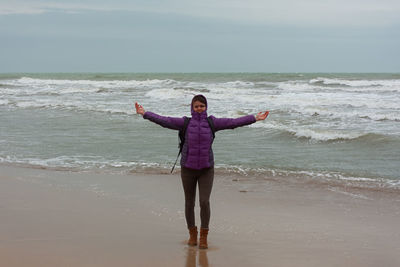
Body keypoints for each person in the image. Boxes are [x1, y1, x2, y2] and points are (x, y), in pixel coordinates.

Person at [135, 95, 269, 249]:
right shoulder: (185, 123)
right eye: (196, 106)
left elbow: (233, 122)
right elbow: (165, 121)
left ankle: (204, 236)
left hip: (206, 169)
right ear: (192, 108)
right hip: (187, 169)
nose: (199, 108)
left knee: (204, 202)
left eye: (202, 106)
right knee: (189, 202)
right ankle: (192, 234)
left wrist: (254, 118)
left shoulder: (212, 122)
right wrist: (145, 113)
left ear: (206, 107)